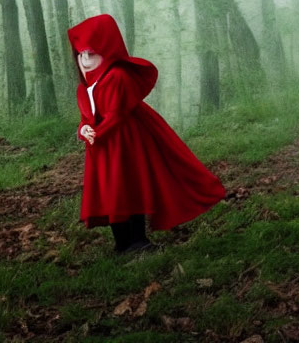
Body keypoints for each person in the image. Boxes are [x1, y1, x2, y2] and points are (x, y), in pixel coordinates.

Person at [68, 14, 225, 253]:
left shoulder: (117, 77)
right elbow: (86, 117)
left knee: (130, 186)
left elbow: (116, 114)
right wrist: (84, 130)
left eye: (92, 53)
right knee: (111, 191)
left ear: (107, 50)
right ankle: (122, 243)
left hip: (124, 142)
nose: (86, 60)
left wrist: (96, 133)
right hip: (102, 146)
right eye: (81, 55)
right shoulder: (86, 86)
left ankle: (138, 240)